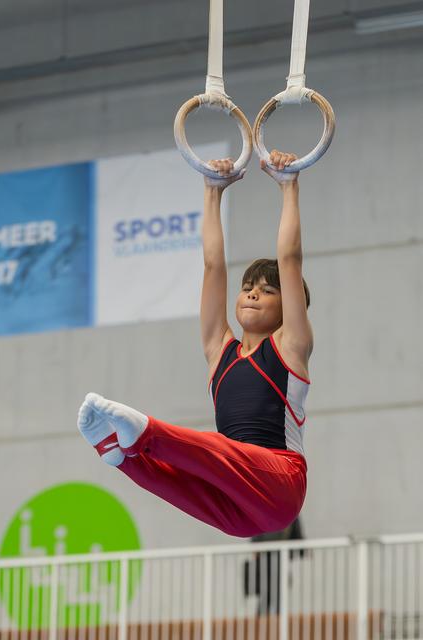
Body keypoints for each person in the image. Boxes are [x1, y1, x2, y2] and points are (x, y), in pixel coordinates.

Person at [78, 150, 313, 538]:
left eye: (268, 290)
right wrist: (212, 191)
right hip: (238, 509)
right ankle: (121, 456)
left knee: (212, 448)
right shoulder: (218, 349)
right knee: (181, 481)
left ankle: (145, 433)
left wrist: (289, 186)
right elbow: (212, 265)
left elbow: (290, 260)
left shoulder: (292, 347)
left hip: (280, 482)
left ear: (289, 307)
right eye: (248, 288)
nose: (252, 294)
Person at [244, 517, 304, 615]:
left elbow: (296, 530)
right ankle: (270, 620)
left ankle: (272, 619)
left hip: (276, 556)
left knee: (273, 592)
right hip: (270, 556)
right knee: (270, 592)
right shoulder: (288, 511)